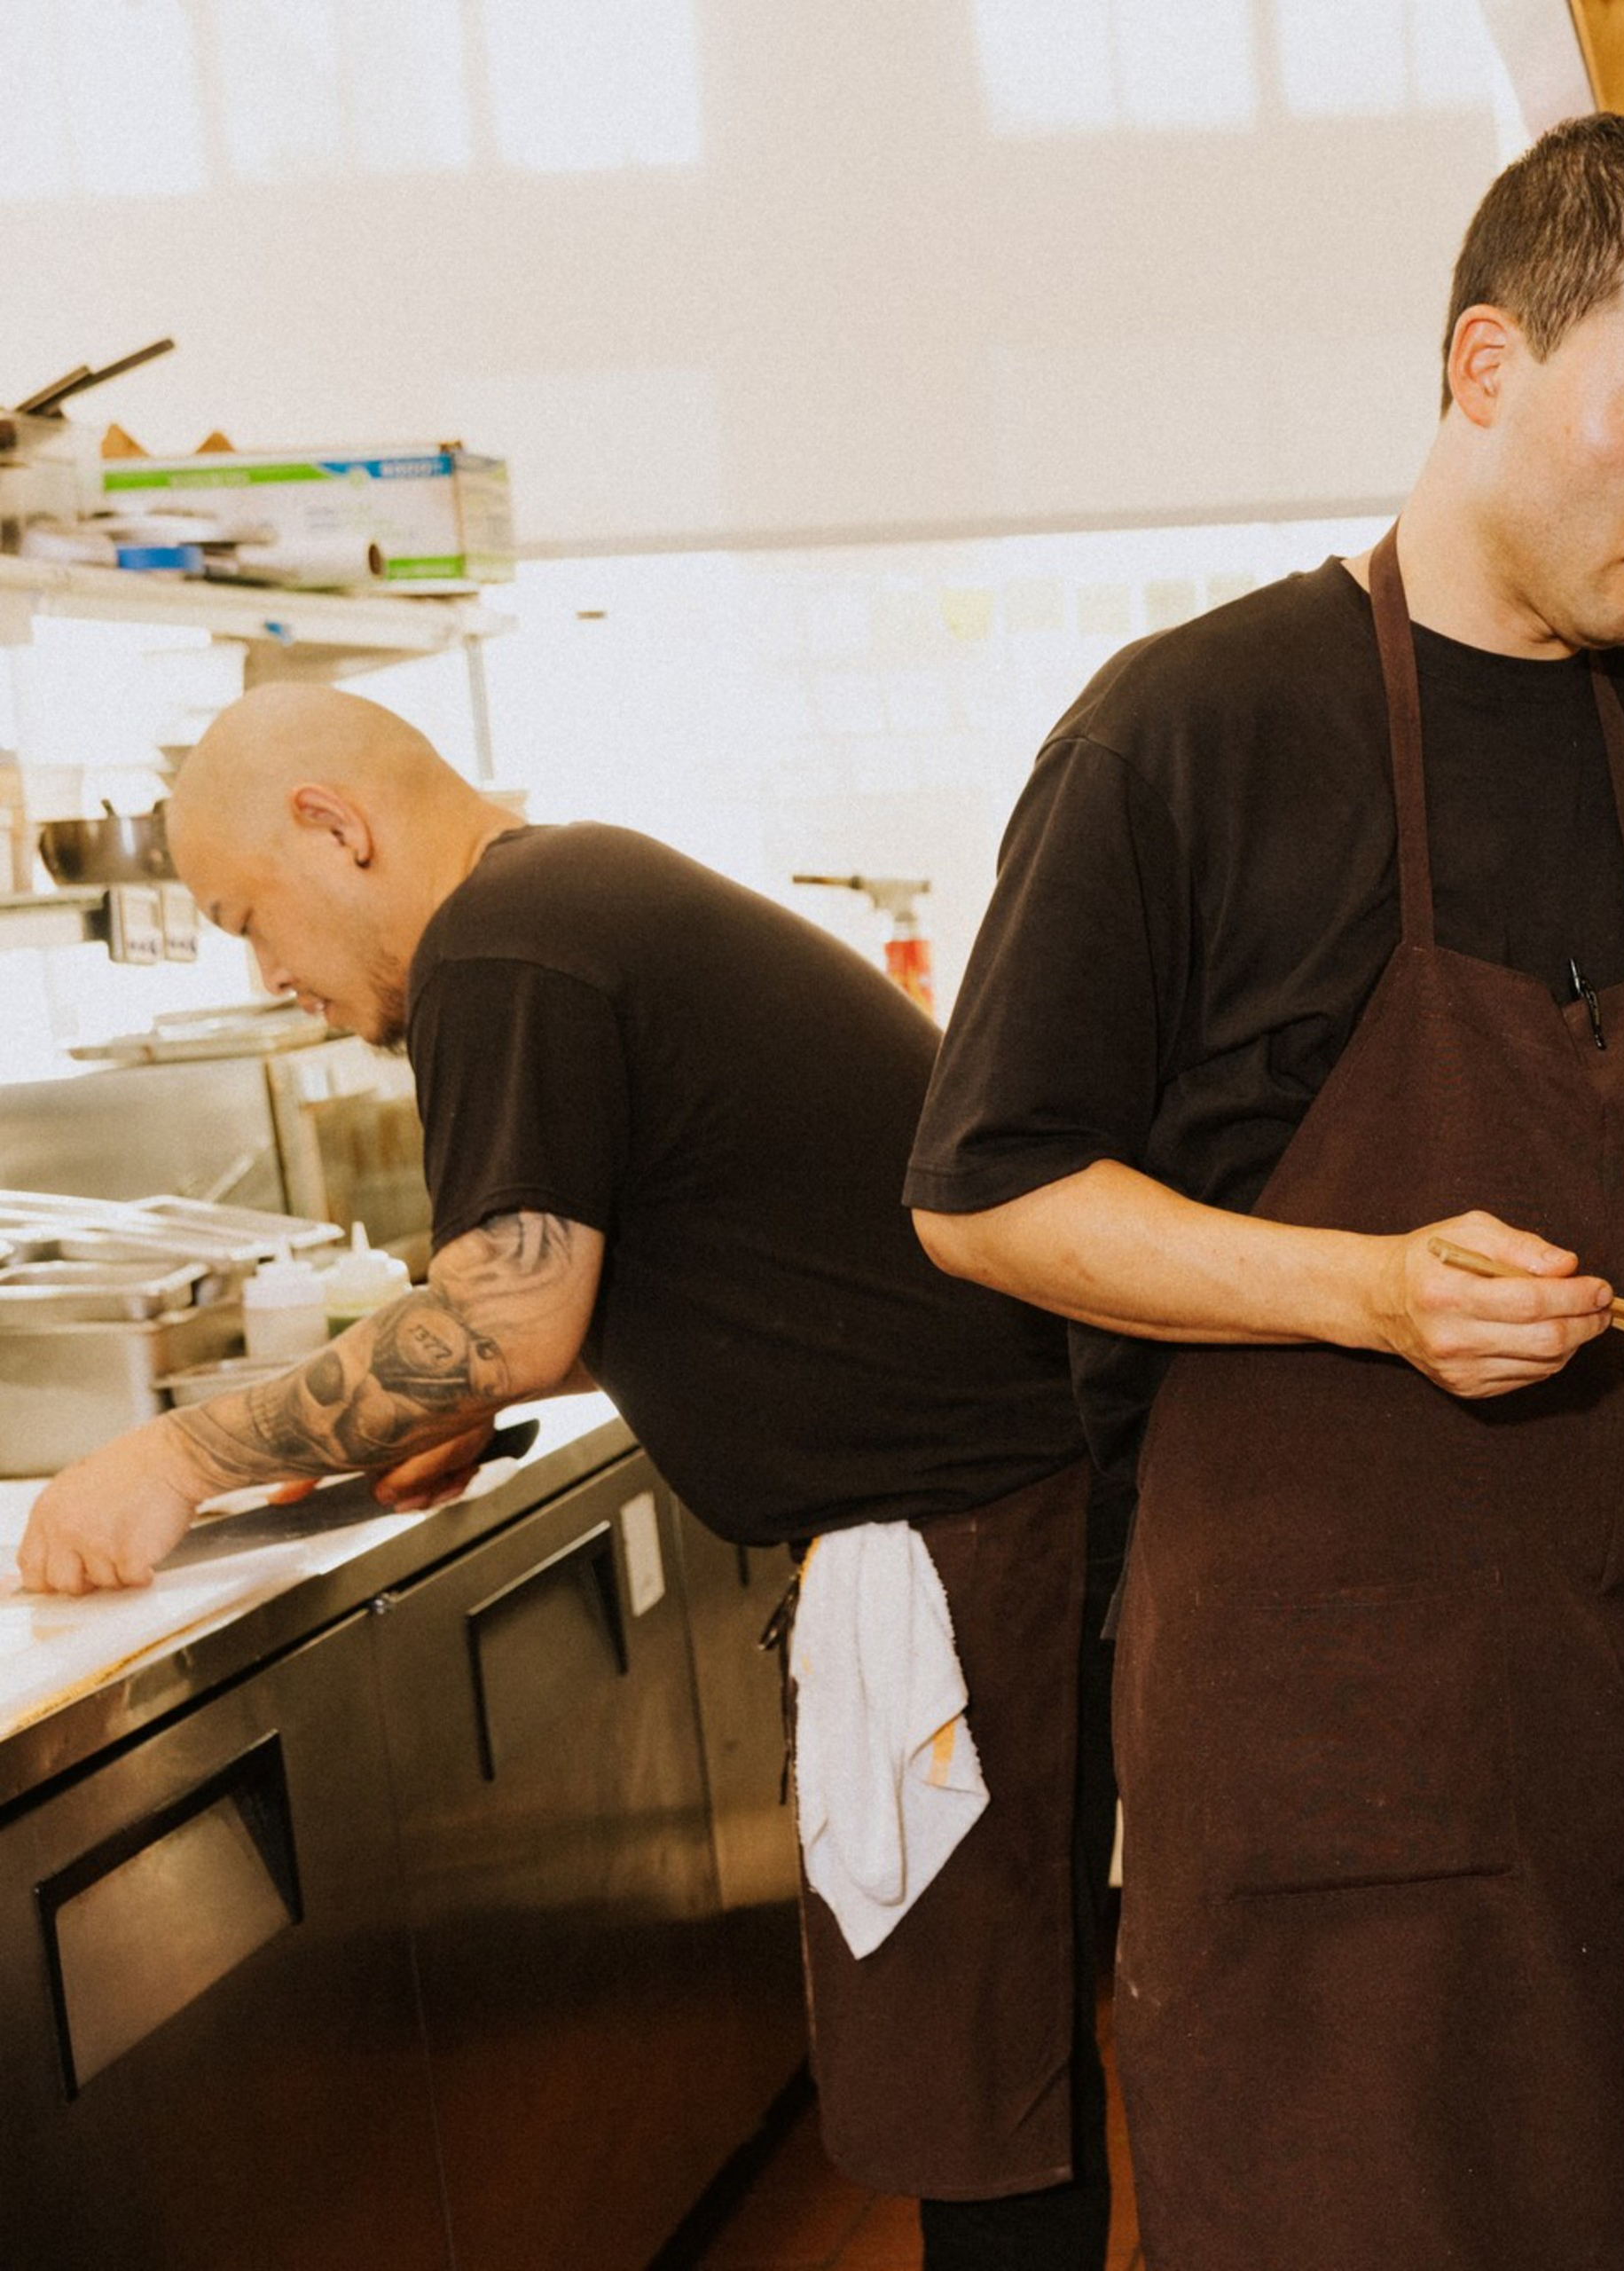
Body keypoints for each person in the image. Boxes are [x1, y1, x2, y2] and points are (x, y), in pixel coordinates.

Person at [906, 113, 1624, 2271]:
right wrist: (1369, 1290)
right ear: (1484, 366)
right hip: (1322, 1784)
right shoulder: (1191, 735)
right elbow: (983, 1190)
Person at [14, 686, 1123, 2271]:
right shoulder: (568, 894)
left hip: (974, 1543)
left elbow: (503, 1319)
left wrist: (177, 1451)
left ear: (337, 826)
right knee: (998, 2062)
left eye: (250, 917)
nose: (271, 973)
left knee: (974, 2080)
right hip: (1008, 1516)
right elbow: (691, 1244)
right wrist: (485, 1380)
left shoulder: (501, 945)